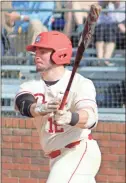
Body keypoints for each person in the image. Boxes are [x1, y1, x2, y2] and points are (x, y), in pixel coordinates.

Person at [14, 31, 101, 183]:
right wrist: (38, 108)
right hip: (56, 157)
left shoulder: (81, 83)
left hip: (78, 151)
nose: (37, 56)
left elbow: (91, 117)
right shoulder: (31, 85)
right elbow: (23, 103)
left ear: (59, 54)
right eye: (36, 52)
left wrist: (70, 117)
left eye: (43, 51)